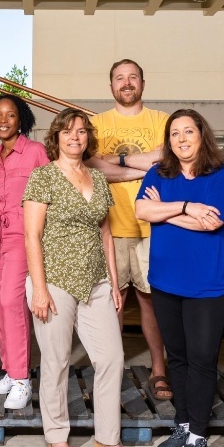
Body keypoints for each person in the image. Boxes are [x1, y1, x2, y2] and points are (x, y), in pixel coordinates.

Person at [22, 108, 134, 447]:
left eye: (82, 132)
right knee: (56, 361)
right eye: (68, 132)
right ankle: (57, 436)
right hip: (53, 280)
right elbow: (31, 236)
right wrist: (39, 289)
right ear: (56, 137)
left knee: (112, 358)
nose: (76, 137)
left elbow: (104, 231)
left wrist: (115, 284)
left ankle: (107, 437)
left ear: (88, 138)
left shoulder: (98, 179)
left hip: (96, 282)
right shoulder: (42, 177)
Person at [135, 109, 224, 447]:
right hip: (166, 281)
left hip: (208, 285)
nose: (181, 139)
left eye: (188, 131)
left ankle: (198, 438)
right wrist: (185, 207)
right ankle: (182, 425)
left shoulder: (222, 176)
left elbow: (214, 222)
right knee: (176, 356)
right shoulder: (158, 172)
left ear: (201, 135)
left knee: (202, 359)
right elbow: (140, 209)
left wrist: (162, 211)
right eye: (175, 133)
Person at [86, 59, 172, 401]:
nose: (126, 83)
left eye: (132, 77)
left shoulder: (162, 121)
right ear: (111, 86)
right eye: (119, 78)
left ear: (142, 83)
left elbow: (165, 158)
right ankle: (110, 375)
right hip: (110, 227)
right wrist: (142, 168)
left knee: (151, 302)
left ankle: (159, 370)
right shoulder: (96, 123)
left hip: (154, 228)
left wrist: (119, 161)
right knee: (111, 304)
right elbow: (92, 165)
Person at [0, 94, 48, 409]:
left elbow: (52, 195)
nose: (3, 120)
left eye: (10, 115)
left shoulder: (35, 152)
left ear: (21, 119)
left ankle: (22, 380)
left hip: (25, 238)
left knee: (12, 303)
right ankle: (9, 369)